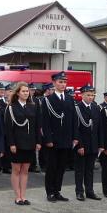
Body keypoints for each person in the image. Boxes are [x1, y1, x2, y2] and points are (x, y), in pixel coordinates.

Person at [41, 71, 76, 202]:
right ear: (54, 83)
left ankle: (57, 191)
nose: (63, 84)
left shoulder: (69, 99)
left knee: (61, 167)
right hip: (53, 139)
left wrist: (75, 137)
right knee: (52, 167)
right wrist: (48, 139)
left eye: (64, 82)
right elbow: (45, 122)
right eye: (60, 82)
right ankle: (50, 192)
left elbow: (73, 119)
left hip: (66, 138)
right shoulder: (48, 100)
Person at [4, 82, 41, 205]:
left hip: (30, 142)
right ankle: (17, 196)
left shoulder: (33, 106)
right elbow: (8, 128)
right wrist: (11, 143)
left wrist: (38, 141)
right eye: (23, 91)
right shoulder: (11, 107)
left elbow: (37, 126)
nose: (26, 93)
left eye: (27, 91)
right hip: (17, 143)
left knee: (25, 170)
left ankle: (23, 196)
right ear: (18, 93)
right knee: (16, 170)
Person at [72, 85, 102, 201]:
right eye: (88, 95)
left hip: (93, 144)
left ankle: (90, 191)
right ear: (82, 95)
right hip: (82, 144)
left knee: (90, 170)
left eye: (92, 95)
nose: (91, 97)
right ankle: (79, 191)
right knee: (80, 170)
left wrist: (100, 144)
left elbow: (99, 128)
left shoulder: (95, 108)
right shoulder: (77, 108)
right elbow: (76, 128)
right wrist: (79, 145)